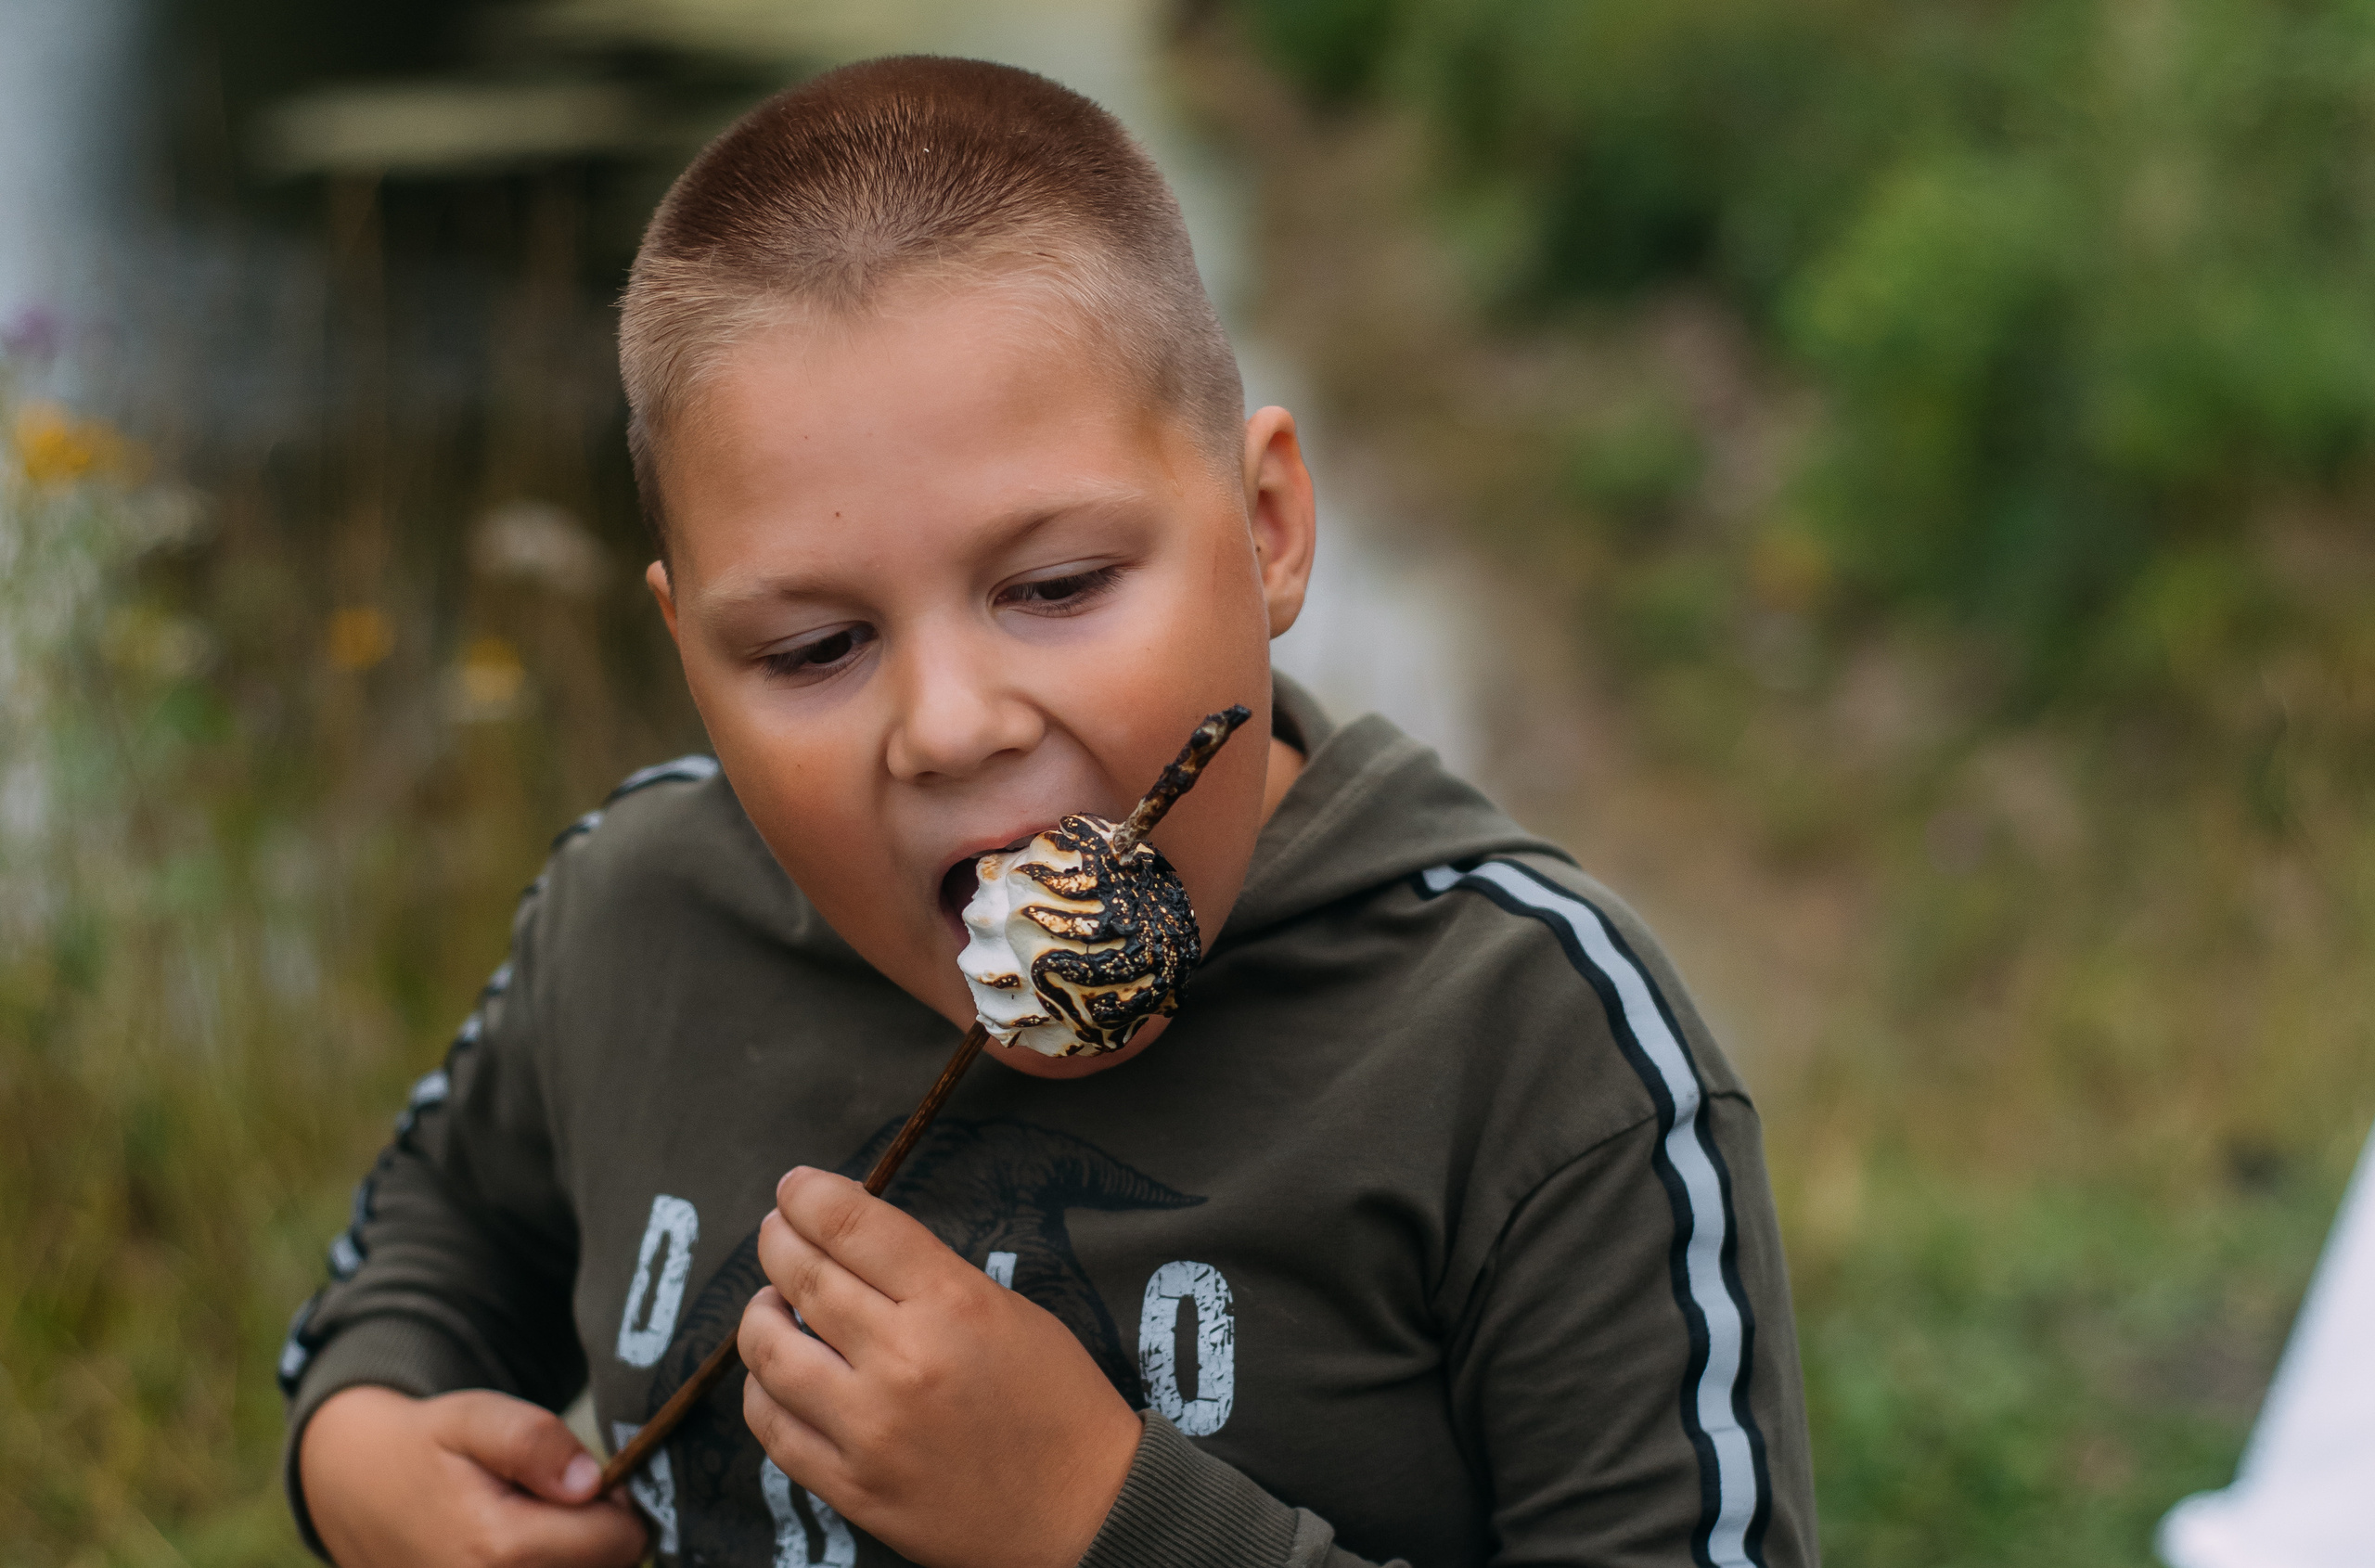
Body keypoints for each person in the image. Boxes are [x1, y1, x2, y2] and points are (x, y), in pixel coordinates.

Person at [280, 55, 1819, 1568]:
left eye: (1060, 585)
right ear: (689, 654)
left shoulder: (1536, 1051)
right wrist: (361, 1450)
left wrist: (1095, 1517)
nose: (951, 726)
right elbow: (429, 1241)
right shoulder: (636, 914)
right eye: (815, 649)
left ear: (1267, 528)